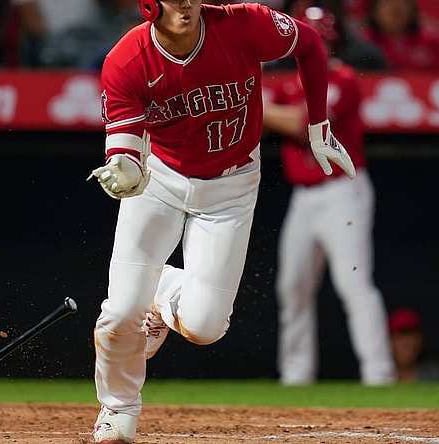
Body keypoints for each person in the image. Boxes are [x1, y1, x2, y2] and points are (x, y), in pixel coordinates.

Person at [86, 1, 356, 442]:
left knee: (206, 326)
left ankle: (159, 294)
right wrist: (124, 169)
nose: (186, 3)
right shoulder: (127, 59)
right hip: (161, 178)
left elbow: (309, 46)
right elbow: (123, 144)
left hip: (232, 187)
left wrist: (317, 126)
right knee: (119, 313)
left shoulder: (244, 22)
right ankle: (118, 410)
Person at [263, 6, 395, 387]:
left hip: (343, 192)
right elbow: (254, 123)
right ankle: (295, 375)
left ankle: (378, 375)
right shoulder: (286, 83)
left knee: (353, 284)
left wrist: (257, 103)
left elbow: (304, 125)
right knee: (292, 286)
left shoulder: (342, 78)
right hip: (304, 197)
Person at [356, 0, 439, 71]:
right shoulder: (363, 42)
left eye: (402, 2)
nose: (394, 9)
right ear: (374, 10)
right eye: (386, 3)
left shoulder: (434, 41)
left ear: (413, 8)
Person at [388, 308, 439, 383]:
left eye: (411, 337)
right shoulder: (377, 373)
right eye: (400, 337)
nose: (406, 344)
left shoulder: (433, 373)